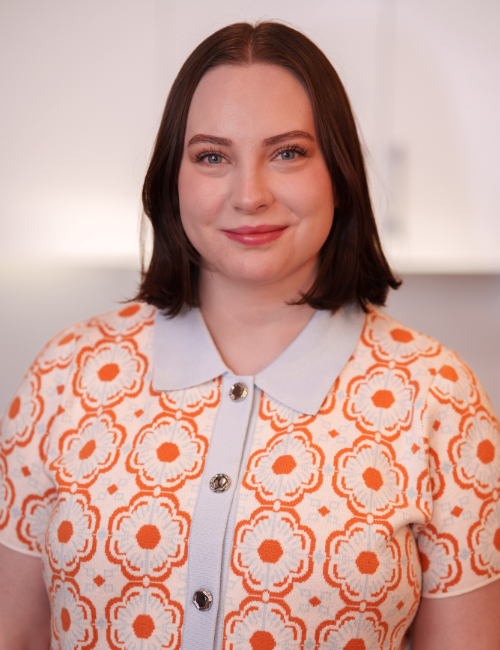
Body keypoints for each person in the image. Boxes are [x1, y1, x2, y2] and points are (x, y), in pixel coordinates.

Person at [1, 20, 499, 650]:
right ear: (171, 178)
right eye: (212, 156)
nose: (249, 195)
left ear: (339, 172)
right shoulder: (65, 374)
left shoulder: (440, 397)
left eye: (288, 152)